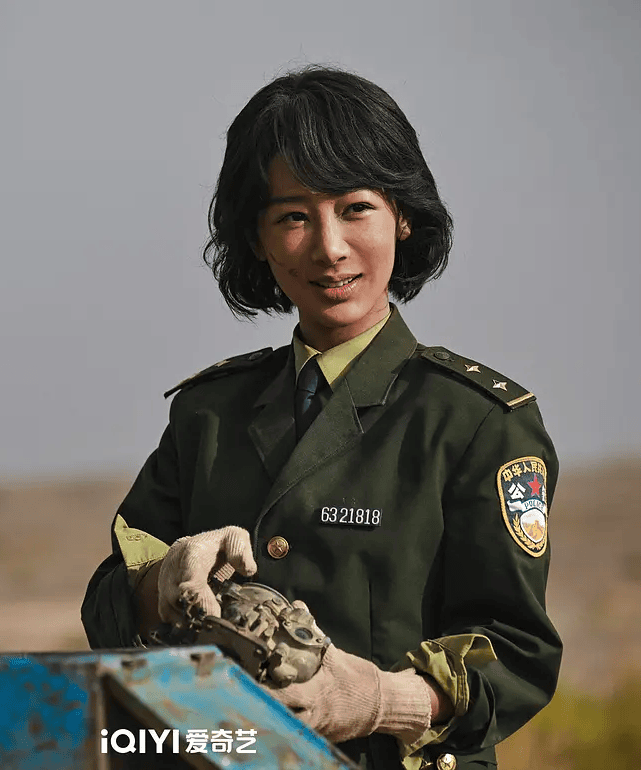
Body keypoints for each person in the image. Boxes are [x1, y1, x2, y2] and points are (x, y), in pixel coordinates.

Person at [81, 66, 560, 770]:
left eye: (356, 208)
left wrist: (381, 701)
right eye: (293, 217)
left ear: (403, 215)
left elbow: (517, 656)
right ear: (257, 237)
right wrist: (164, 582)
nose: (329, 247)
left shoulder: (477, 423)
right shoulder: (207, 415)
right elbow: (105, 610)